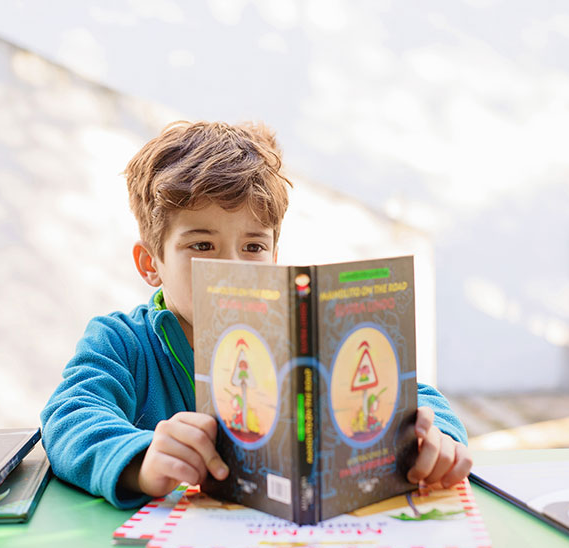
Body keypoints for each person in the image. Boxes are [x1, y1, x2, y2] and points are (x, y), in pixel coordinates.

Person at [40, 121, 472, 509]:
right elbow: (68, 417)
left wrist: (437, 439)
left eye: (253, 247)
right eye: (202, 245)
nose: (232, 268)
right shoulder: (118, 342)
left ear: (274, 258)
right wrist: (140, 459)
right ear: (151, 263)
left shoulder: (302, 341)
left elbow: (418, 396)